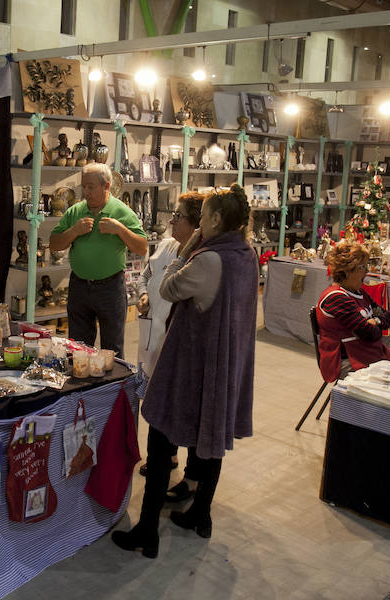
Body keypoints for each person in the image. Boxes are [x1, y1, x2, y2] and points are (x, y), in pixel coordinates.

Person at [112, 184, 257, 558]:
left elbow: (168, 288)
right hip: (222, 365)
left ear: (214, 220)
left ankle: (147, 531)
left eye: (202, 216)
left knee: (160, 442)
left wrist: (188, 249)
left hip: (192, 366)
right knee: (209, 442)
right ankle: (200, 515)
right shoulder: (246, 254)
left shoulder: (209, 259)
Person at [134, 191, 204, 492]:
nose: (171, 221)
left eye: (178, 217)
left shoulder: (200, 257)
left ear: (198, 223)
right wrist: (144, 294)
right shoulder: (166, 245)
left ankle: (192, 473)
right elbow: (145, 274)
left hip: (180, 344)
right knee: (155, 395)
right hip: (153, 334)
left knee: (182, 405)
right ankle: (167, 456)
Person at [50, 163, 147, 358]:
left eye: (91, 187)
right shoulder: (75, 212)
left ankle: (112, 389)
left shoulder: (123, 212)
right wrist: (74, 231)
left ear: (107, 186)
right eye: (83, 186)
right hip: (79, 286)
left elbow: (142, 248)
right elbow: (54, 244)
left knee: (112, 351)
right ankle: (79, 388)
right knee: (76, 349)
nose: (86, 192)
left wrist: (120, 229)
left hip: (110, 288)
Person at [315, 241, 390, 383]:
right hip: (345, 361)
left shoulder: (360, 293)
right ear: (347, 270)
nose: (366, 271)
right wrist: (374, 326)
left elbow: (387, 317)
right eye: (362, 267)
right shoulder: (336, 298)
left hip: (366, 355)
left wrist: (376, 321)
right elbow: (370, 334)